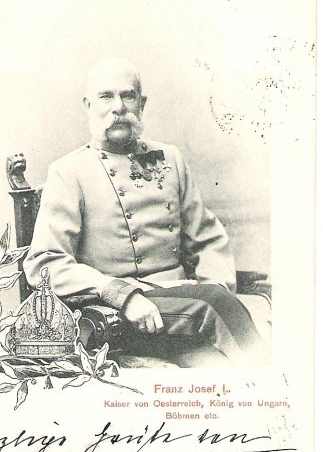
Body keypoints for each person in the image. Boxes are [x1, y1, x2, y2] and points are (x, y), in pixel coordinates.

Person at [24, 58, 268, 366]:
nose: (118, 107)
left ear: (142, 103)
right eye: (106, 96)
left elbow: (207, 238)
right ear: (88, 105)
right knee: (219, 310)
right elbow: (45, 264)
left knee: (223, 361)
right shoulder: (69, 172)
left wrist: (216, 285)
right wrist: (121, 295)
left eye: (128, 95)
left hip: (186, 303)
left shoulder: (171, 158)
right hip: (120, 313)